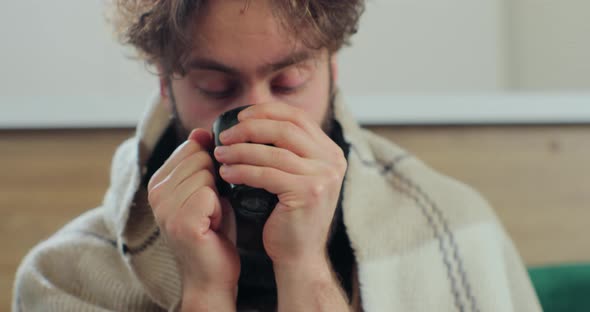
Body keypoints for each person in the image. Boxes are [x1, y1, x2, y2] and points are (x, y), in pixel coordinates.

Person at [13, 0, 542, 311]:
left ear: (333, 66)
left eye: (289, 81)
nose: (258, 123)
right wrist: (204, 292)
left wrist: (304, 267)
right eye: (217, 87)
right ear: (165, 83)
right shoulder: (62, 276)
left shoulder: (456, 228)